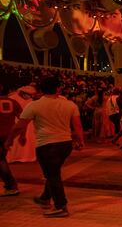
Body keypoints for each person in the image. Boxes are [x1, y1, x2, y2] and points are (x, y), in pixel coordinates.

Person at [4, 77, 84, 218]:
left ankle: (61, 206)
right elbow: (77, 126)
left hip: (46, 145)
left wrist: (10, 141)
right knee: (53, 172)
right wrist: (80, 140)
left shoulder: (34, 105)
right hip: (65, 144)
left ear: (41, 90)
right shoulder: (70, 105)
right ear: (58, 89)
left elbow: (19, 126)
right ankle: (45, 198)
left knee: (52, 175)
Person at [0, 84, 23, 196]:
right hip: (8, 134)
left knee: (1, 160)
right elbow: (22, 120)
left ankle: (11, 185)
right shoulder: (13, 102)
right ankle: (10, 185)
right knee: (1, 158)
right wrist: (22, 135)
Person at [7, 85, 36, 163]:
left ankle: (26, 157)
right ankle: (14, 157)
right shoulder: (12, 98)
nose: (30, 96)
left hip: (28, 122)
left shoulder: (30, 100)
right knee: (15, 140)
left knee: (28, 140)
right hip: (17, 121)